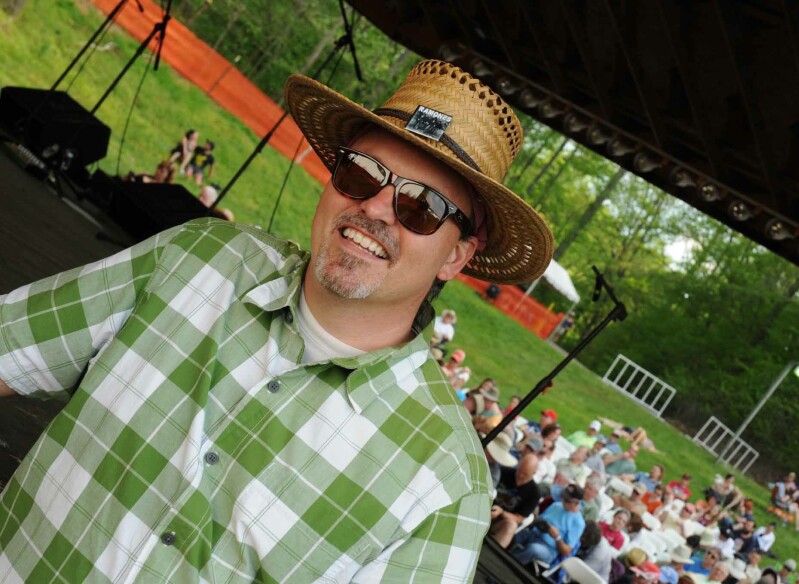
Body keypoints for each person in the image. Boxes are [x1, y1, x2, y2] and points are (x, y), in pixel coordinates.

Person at [0, 60, 555, 581]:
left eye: (422, 207)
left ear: (458, 255)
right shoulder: (200, 259)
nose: (377, 208)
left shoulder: (445, 483)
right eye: (362, 174)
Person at [511, 484, 586, 565]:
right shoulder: (556, 505)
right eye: (563, 497)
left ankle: (511, 563)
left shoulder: (578, 523)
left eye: (567, 500)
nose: (563, 500)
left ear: (576, 503)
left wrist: (557, 537)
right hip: (534, 534)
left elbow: (566, 551)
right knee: (513, 530)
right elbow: (540, 519)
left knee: (533, 549)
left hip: (549, 548)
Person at [491, 453, 543, 548]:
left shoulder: (534, 493)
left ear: (534, 473)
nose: (521, 475)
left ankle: (493, 550)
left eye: (526, 474)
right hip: (486, 507)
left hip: (500, 521)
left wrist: (502, 512)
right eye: (520, 470)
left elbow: (519, 518)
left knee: (511, 525)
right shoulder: (505, 472)